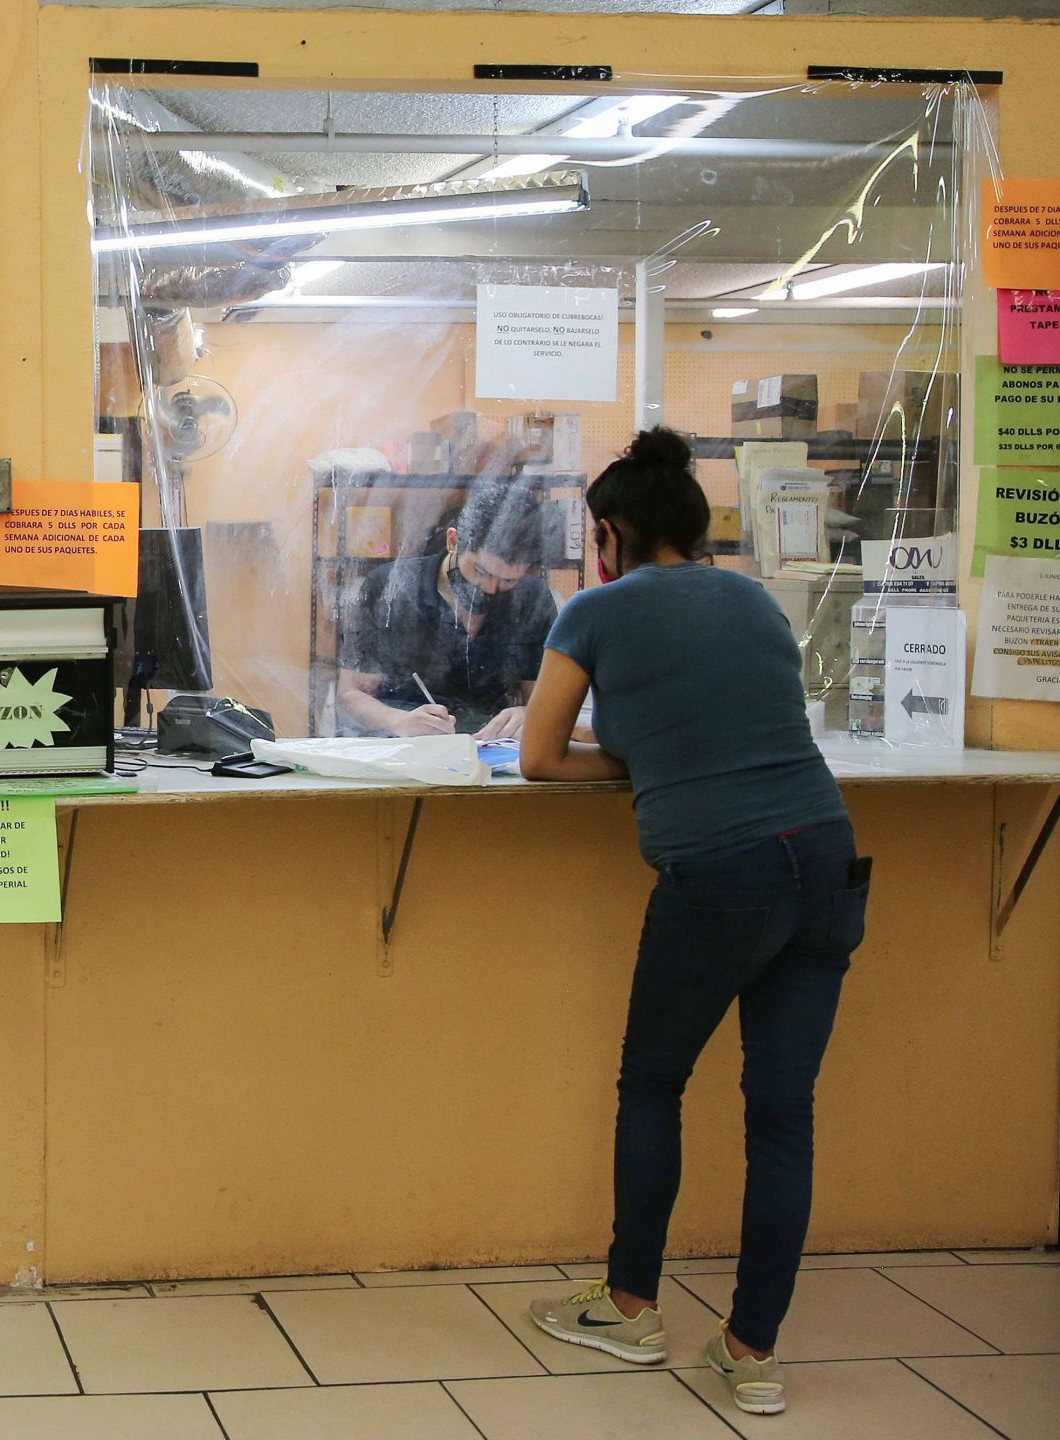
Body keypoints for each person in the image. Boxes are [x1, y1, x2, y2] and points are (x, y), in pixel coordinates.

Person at [517, 429, 866, 1417]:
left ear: (612, 532)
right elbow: (748, 718)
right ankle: (752, 1353)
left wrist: (635, 767)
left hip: (719, 876)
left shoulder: (593, 612)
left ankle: (631, 1306)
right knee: (781, 1117)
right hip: (828, 862)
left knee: (652, 1086)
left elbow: (541, 757)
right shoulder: (752, 600)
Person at [336, 479, 557, 740]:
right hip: (404, 749)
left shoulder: (533, 598)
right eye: (481, 571)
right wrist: (398, 720)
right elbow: (351, 693)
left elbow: (547, 697)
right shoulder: (391, 587)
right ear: (453, 540)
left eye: (509, 580)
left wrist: (527, 713)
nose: (490, 588)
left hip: (493, 751)